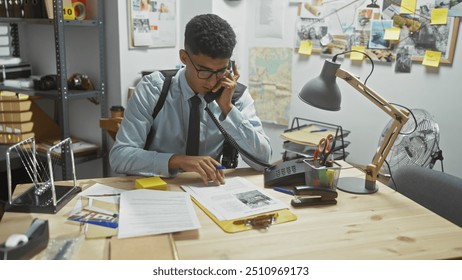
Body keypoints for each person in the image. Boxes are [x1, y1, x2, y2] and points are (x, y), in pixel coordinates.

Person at [110, 14, 272, 185]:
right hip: (158, 189)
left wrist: (227, 109)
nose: (212, 81)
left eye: (221, 71)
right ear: (184, 58)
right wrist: (177, 160)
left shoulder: (234, 95)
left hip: (210, 190)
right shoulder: (153, 89)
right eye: (204, 71)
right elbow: (119, 157)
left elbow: (263, 161)